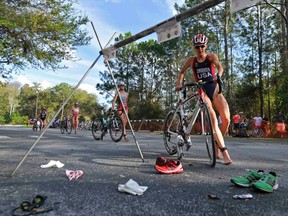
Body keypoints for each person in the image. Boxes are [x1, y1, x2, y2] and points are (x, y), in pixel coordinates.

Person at [176, 33, 232, 165]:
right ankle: (224, 152)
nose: (200, 49)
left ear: (205, 46)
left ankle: (217, 143)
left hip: (214, 87)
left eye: (202, 46)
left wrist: (218, 75)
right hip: (202, 90)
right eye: (197, 47)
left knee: (226, 120)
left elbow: (220, 66)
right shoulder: (191, 60)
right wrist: (179, 84)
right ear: (194, 47)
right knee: (213, 119)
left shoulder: (211, 57)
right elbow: (182, 72)